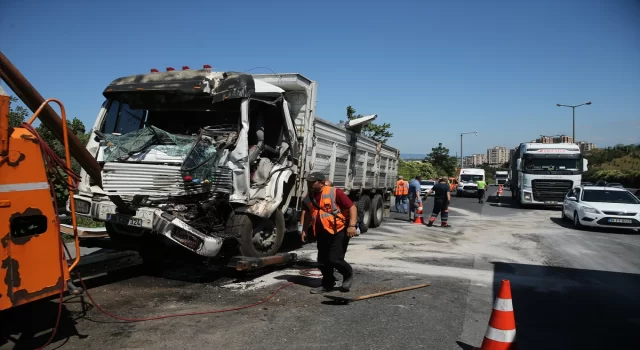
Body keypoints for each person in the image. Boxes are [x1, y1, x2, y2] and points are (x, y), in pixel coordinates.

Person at [299, 172, 358, 294]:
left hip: (339, 230)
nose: (309, 184)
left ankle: (348, 273)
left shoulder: (334, 192)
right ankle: (327, 284)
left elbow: (352, 207)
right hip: (321, 232)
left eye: (312, 182)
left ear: (321, 183)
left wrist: (351, 226)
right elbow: (309, 214)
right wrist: (304, 230)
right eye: (308, 182)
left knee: (335, 259)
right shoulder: (309, 196)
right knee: (322, 260)